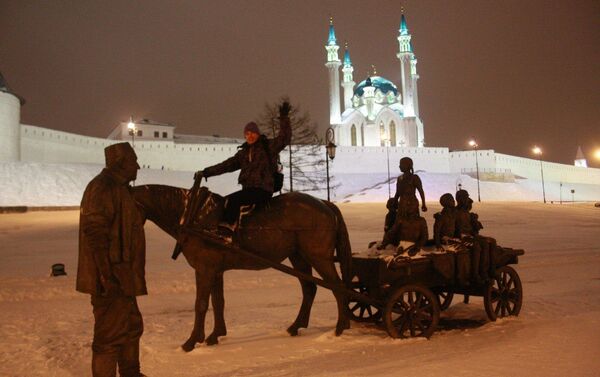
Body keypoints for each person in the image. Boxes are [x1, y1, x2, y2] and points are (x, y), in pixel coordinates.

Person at [77, 142, 147, 377]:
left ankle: (131, 374)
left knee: (130, 328)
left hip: (123, 275)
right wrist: (107, 275)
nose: (137, 166)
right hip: (111, 278)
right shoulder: (102, 187)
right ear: (120, 163)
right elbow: (95, 233)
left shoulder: (121, 188)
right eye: (133, 161)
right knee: (109, 335)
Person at [195, 101, 291, 237]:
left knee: (233, 200)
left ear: (258, 134)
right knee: (223, 201)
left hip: (263, 189)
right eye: (247, 134)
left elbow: (284, 139)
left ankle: (227, 230)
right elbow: (226, 165)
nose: (250, 136)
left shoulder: (267, 146)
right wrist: (206, 172)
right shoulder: (243, 153)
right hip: (248, 190)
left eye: (252, 133)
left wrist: (284, 118)